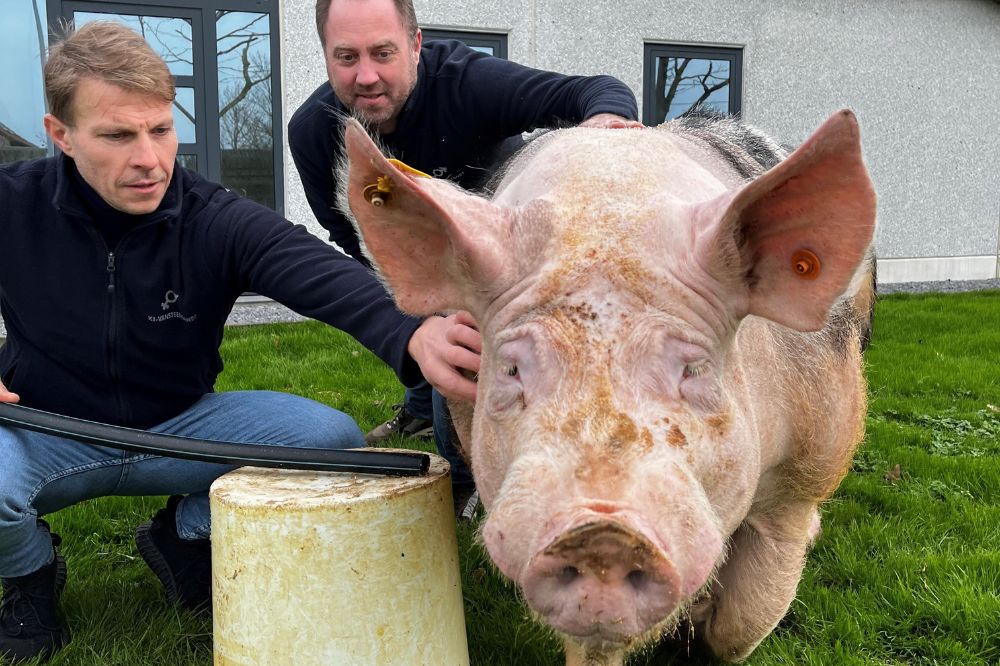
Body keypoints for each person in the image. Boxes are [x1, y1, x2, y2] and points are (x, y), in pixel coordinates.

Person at [0, 21, 477, 663]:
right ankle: (30, 578)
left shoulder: (212, 217)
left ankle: (183, 535)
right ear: (61, 135)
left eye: (162, 129)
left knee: (329, 440)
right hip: (42, 426)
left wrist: (411, 332)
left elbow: (311, 268)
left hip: (179, 425)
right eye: (118, 135)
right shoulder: (13, 205)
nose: (149, 158)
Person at [289, 0, 641, 505]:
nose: (366, 76)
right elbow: (344, 227)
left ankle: (464, 477)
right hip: (414, 251)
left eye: (383, 53)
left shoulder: (469, 82)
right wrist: (404, 297)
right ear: (325, 55)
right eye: (346, 57)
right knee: (428, 341)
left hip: (501, 253)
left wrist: (599, 136)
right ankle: (438, 438)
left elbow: (596, 91)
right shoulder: (312, 132)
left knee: (473, 371)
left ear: (415, 45)